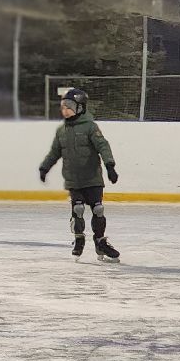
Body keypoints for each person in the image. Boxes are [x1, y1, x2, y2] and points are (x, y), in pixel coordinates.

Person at [39, 87, 122, 263]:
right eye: (63, 106)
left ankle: (100, 242)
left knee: (98, 210)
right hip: (73, 180)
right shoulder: (61, 131)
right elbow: (54, 152)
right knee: (77, 210)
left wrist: (110, 166)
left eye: (69, 106)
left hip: (92, 178)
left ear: (80, 107)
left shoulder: (90, 127)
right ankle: (79, 239)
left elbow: (103, 146)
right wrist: (45, 167)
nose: (65, 110)